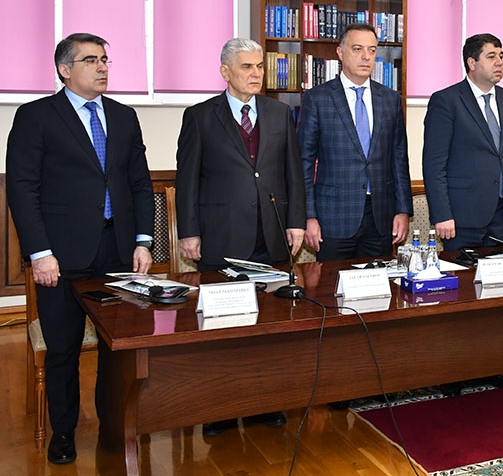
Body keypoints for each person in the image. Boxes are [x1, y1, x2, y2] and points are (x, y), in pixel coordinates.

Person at [6, 33, 155, 464]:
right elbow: (22, 188)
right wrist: (39, 253)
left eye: (105, 59)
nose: (102, 66)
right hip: (61, 256)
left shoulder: (124, 117)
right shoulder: (37, 116)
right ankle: (64, 433)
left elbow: (140, 184)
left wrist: (143, 240)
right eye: (91, 60)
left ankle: (114, 427)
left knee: (118, 349)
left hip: (118, 253)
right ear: (64, 70)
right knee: (63, 351)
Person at [175, 38, 305, 435]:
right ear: (225, 71)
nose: (256, 74)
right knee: (223, 329)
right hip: (222, 236)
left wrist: (296, 221)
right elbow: (187, 180)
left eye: (259, 67)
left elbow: (293, 173)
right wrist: (189, 231)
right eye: (247, 67)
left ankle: (265, 403)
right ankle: (220, 408)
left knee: (270, 327)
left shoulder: (279, 113)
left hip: (270, 232)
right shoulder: (200, 116)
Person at [298, 23, 412, 259]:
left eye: (372, 50)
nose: (366, 57)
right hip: (333, 217)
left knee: (379, 281)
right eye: (357, 49)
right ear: (340, 53)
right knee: (331, 281)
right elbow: (304, 163)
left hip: (380, 216)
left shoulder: (390, 99)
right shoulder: (317, 99)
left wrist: (402, 210)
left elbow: (399, 159)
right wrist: (308, 215)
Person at [422, 33, 503, 249]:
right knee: (462, 272)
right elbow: (434, 164)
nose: (499, 62)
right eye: (491, 57)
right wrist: (442, 214)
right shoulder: (446, 101)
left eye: (501, 56)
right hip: (462, 218)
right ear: (472, 63)